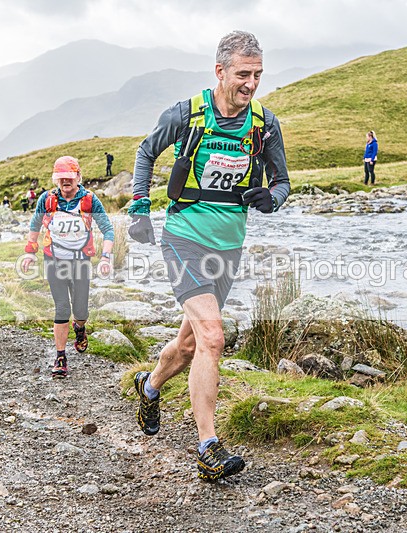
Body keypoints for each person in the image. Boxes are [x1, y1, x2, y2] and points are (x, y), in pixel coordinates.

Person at [127, 30, 290, 481]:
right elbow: (146, 152)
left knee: (191, 344)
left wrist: (271, 199)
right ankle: (208, 447)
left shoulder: (264, 124)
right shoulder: (186, 115)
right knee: (214, 338)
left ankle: (150, 385)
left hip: (228, 246)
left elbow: (282, 183)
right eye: (243, 74)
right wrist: (139, 206)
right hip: (184, 238)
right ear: (220, 71)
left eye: (258, 75)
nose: (251, 83)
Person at [21, 156, 115, 378]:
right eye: (60, 177)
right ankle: (60, 357)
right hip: (54, 260)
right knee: (62, 307)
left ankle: (79, 327)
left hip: (81, 261)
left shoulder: (90, 200)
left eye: (69, 177)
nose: (65, 181)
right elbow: (35, 225)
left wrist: (105, 257)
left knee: (81, 311)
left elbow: (108, 229)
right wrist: (30, 252)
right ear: (56, 179)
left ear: (78, 177)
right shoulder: (47, 199)